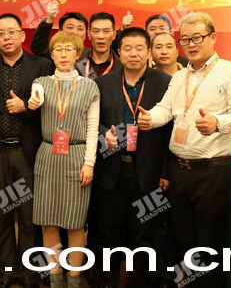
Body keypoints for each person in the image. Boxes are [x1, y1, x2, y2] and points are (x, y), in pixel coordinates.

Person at [138, 12, 231, 288]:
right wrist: (151, 118)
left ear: (213, 38)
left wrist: (218, 122)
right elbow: (166, 109)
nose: (190, 44)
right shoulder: (180, 76)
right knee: (182, 241)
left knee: (208, 244)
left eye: (197, 38)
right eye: (185, 39)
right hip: (180, 170)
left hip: (213, 171)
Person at [0, 14, 53, 288]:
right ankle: (7, 271)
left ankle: (29, 273)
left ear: (22, 35)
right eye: (1, 33)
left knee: (31, 217)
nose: (6, 37)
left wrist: (27, 107)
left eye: (12, 32)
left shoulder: (42, 65)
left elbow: (51, 108)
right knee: (1, 216)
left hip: (29, 152)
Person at [91, 27, 173, 288]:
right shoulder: (103, 83)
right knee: (107, 233)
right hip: (111, 169)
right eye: (127, 48)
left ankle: (141, 283)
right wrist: (104, 135)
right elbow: (92, 121)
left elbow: (171, 130)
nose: (133, 53)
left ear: (149, 52)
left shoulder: (166, 83)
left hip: (150, 171)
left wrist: (166, 172)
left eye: (139, 48)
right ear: (119, 52)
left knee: (145, 234)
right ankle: (105, 282)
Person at [27, 31, 100, 288]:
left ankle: (74, 278)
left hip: (77, 155)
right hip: (48, 155)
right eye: (58, 49)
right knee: (48, 222)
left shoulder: (89, 86)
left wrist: (89, 163)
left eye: (69, 49)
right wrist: (34, 101)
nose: (63, 54)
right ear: (52, 54)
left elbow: (93, 128)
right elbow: (36, 96)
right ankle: (55, 277)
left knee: (75, 223)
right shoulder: (41, 82)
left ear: (78, 54)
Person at [77, 12, 122, 79]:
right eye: (96, 31)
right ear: (89, 34)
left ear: (114, 35)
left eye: (106, 31)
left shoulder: (121, 67)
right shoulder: (77, 59)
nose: (101, 36)